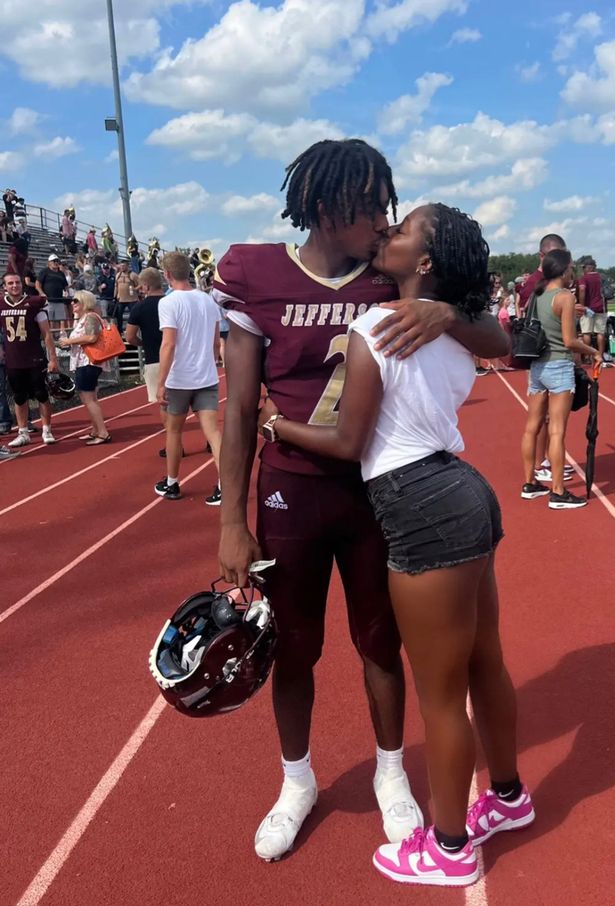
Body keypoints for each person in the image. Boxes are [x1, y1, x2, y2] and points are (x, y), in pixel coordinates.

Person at [214, 138, 505, 864]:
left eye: (388, 205)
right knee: (293, 647)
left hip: (379, 491)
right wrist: (228, 520)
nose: (384, 219)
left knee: (382, 642)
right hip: (291, 491)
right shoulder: (255, 273)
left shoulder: (389, 278)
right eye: (371, 204)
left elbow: (498, 336)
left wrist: (444, 317)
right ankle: (295, 781)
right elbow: (243, 407)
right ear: (324, 207)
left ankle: (388, 771)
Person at [256, 203, 532, 887]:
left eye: (403, 230)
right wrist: (446, 312)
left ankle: (448, 847)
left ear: (427, 261)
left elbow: (349, 442)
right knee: (485, 662)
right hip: (464, 490)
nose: (389, 234)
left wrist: (279, 426)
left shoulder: (374, 326)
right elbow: (500, 338)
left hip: (417, 502)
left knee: (440, 693)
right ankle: (507, 796)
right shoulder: (455, 331)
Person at [520, 249, 602, 508]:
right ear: (565, 270)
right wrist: (593, 351)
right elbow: (569, 341)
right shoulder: (564, 297)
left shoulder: (538, 293)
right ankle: (558, 491)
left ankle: (530, 483)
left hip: (537, 366)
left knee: (531, 428)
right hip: (558, 366)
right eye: (571, 270)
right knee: (557, 431)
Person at [154, 251, 222, 505]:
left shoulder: (168, 303)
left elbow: (168, 344)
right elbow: (216, 343)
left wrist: (160, 383)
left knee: (174, 433)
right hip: (206, 376)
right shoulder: (208, 301)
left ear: (168, 274)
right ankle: (224, 485)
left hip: (179, 379)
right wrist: (208, 362)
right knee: (214, 433)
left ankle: (172, 483)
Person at [1, 272, 59, 448]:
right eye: (10, 283)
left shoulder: (34, 303)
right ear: (5, 287)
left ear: (22, 284)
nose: (14, 286)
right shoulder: (2, 304)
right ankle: (23, 432)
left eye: (17, 282)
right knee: (19, 397)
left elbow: (46, 333)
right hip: (13, 359)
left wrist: (53, 358)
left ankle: (47, 429)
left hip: (34, 357)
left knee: (41, 394)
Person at [57, 290, 112, 445]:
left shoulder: (90, 317)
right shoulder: (83, 318)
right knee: (90, 397)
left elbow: (91, 337)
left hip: (88, 362)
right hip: (85, 362)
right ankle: (96, 429)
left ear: (84, 302)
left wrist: (68, 342)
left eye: (76, 301)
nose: (72, 304)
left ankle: (102, 432)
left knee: (88, 398)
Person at [125, 267, 167, 444]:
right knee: (195, 402)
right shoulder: (172, 302)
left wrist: (144, 344)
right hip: (181, 358)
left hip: (155, 359)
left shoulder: (139, 307)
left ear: (146, 286)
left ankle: (174, 444)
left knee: (165, 404)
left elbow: (130, 337)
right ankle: (209, 440)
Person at [577, 256, 608, 362]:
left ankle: (588, 356)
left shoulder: (584, 278)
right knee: (600, 333)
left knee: (586, 332)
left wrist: (582, 305)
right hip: (601, 307)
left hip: (588, 308)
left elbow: (582, 290)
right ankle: (600, 355)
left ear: (588, 268)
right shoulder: (601, 277)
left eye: (584, 268)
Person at [36, 254, 70, 331]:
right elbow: (38, 284)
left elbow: (65, 285)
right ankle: (51, 335)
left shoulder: (61, 273)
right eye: (54, 261)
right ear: (49, 262)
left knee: (61, 319)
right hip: (48, 300)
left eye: (57, 261)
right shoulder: (44, 271)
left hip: (59, 299)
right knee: (49, 319)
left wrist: (67, 292)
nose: (56, 263)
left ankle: (60, 334)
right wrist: (42, 293)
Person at [113, 261, 139, 333]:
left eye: (123, 266)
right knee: (119, 316)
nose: (122, 267)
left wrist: (135, 289)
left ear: (127, 266)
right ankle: (120, 330)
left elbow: (140, 284)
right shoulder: (118, 275)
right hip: (121, 299)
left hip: (132, 299)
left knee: (134, 315)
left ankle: (134, 331)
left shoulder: (133, 275)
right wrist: (114, 296)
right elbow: (116, 286)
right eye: (121, 266)